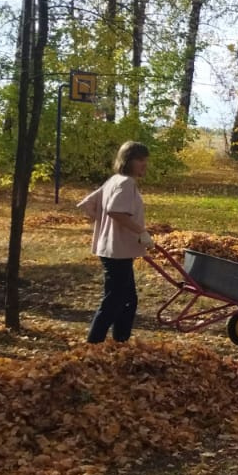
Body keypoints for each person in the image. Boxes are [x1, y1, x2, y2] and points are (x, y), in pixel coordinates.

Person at [78, 141, 152, 344]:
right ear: (128, 161)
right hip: (116, 250)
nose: (144, 164)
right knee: (115, 300)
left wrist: (102, 224)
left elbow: (88, 204)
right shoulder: (126, 183)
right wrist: (140, 231)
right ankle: (94, 343)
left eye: (145, 160)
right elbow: (115, 211)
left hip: (112, 247)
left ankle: (120, 341)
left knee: (127, 300)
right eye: (140, 160)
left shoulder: (114, 180)